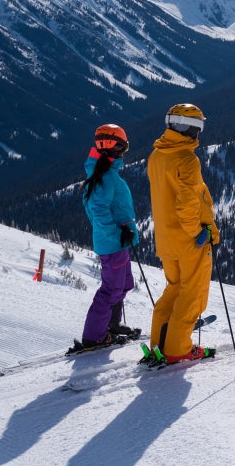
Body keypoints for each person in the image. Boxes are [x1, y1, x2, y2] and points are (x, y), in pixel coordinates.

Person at [146, 103, 219, 364]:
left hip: (165, 239)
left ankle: (159, 344)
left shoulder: (157, 156)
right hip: (188, 240)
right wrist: (199, 231)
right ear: (188, 128)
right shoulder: (186, 159)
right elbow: (188, 204)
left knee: (173, 289)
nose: (198, 133)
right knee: (192, 294)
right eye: (197, 127)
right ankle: (178, 349)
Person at [69, 124, 141, 354]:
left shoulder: (102, 173)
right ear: (117, 148)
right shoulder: (105, 177)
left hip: (116, 242)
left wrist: (122, 232)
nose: (123, 152)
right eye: (123, 147)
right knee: (111, 290)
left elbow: (94, 208)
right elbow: (97, 211)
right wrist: (117, 233)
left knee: (125, 284)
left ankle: (110, 325)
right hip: (112, 245)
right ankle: (94, 338)